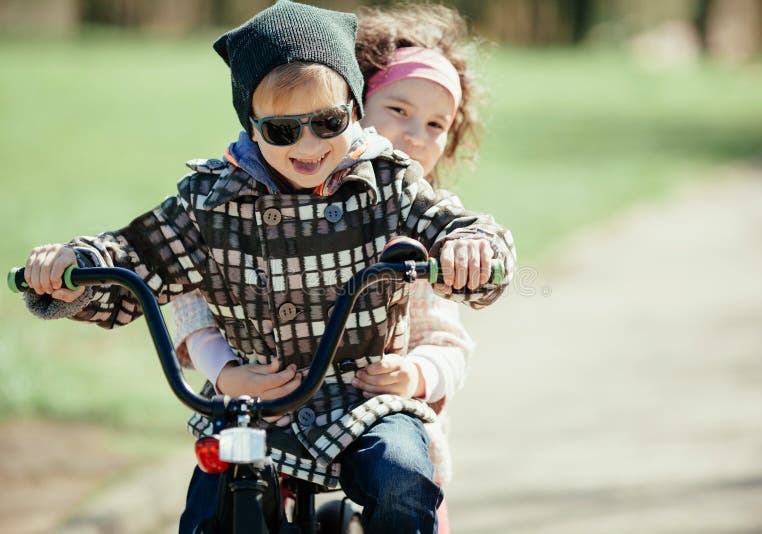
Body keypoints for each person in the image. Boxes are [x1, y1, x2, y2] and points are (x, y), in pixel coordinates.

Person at [21, 2, 514, 533]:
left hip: (365, 399)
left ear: (353, 107)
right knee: (210, 505)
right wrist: (75, 266)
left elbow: (453, 224)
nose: (309, 145)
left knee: (401, 476)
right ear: (252, 127)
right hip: (254, 405)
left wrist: (472, 248)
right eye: (283, 131)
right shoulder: (211, 203)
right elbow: (138, 253)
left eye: (328, 123)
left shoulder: (388, 186)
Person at [170, 4, 486, 532]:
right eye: (399, 111)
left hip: (377, 408)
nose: (414, 135)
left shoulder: (421, 219)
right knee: (214, 500)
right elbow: (191, 292)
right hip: (271, 402)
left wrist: (414, 374)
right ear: (351, 108)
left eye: (436, 125)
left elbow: (447, 341)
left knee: (407, 485)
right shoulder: (249, 197)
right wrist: (225, 369)